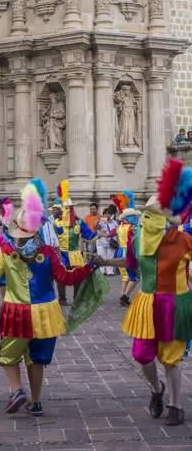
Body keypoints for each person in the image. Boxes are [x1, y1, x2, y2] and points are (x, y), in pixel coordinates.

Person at [0, 180, 98, 417]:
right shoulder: (47, 251)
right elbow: (66, 278)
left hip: (17, 312)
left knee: (8, 356)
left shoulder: (6, 251)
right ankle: (35, 402)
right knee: (36, 359)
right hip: (46, 313)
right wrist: (89, 267)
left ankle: (17, 390)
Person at [97, 159, 192, 426]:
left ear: (164, 220)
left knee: (171, 360)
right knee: (141, 354)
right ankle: (156, 390)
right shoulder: (138, 239)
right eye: (145, 215)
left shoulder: (184, 240)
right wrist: (105, 262)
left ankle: (175, 405)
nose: (145, 220)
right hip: (147, 303)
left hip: (176, 305)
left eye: (151, 215)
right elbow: (130, 263)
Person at [54, 181, 97, 306]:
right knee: (61, 276)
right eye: (65, 208)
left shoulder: (79, 222)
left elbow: (89, 236)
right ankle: (62, 298)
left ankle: (77, 298)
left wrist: (100, 234)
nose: (67, 211)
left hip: (75, 253)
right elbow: (49, 238)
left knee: (77, 276)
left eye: (70, 208)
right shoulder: (55, 222)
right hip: (61, 253)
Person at [112, 192, 140, 307]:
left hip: (119, 251)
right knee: (134, 277)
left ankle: (124, 296)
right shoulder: (133, 227)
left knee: (125, 278)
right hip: (129, 252)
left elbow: (110, 234)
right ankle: (124, 297)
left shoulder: (119, 227)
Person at [95, 209, 116, 275]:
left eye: (109, 213)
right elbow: (95, 227)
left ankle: (109, 271)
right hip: (101, 242)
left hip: (110, 242)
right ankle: (102, 270)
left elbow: (117, 231)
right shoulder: (101, 222)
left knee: (110, 256)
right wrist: (97, 221)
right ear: (103, 215)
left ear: (111, 215)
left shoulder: (115, 223)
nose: (107, 215)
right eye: (105, 213)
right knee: (101, 256)